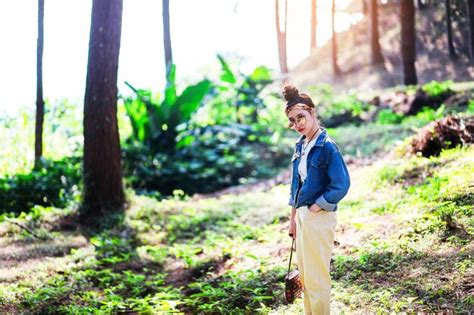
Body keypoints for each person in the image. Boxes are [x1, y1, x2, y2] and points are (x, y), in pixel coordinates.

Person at [283, 84, 350, 315]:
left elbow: (341, 184)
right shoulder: (301, 146)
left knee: (317, 277)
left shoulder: (327, 147)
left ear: (312, 112)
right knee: (305, 276)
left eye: (301, 117)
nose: (297, 124)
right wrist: (293, 219)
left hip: (318, 216)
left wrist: (316, 205)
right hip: (302, 217)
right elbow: (296, 187)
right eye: (292, 120)